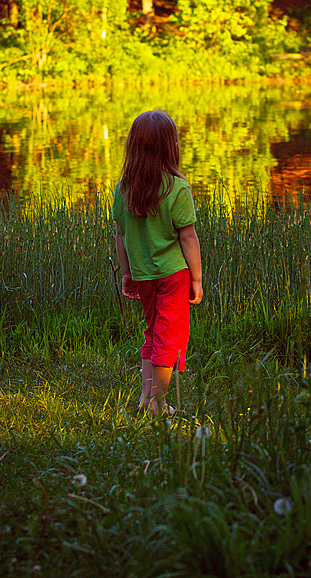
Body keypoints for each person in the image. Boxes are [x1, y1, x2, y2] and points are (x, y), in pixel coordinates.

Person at [112, 110, 203, 415]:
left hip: (143, 275)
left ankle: (145, 398)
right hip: (173, 275)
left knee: (154, 331)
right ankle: (157, 403)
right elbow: (188, 238)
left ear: (133, 146)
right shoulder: (177, 188)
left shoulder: (123, 188)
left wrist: (127, 274)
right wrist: (197, 279)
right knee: (170, 336)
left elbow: (121, 236)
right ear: (171, 146)